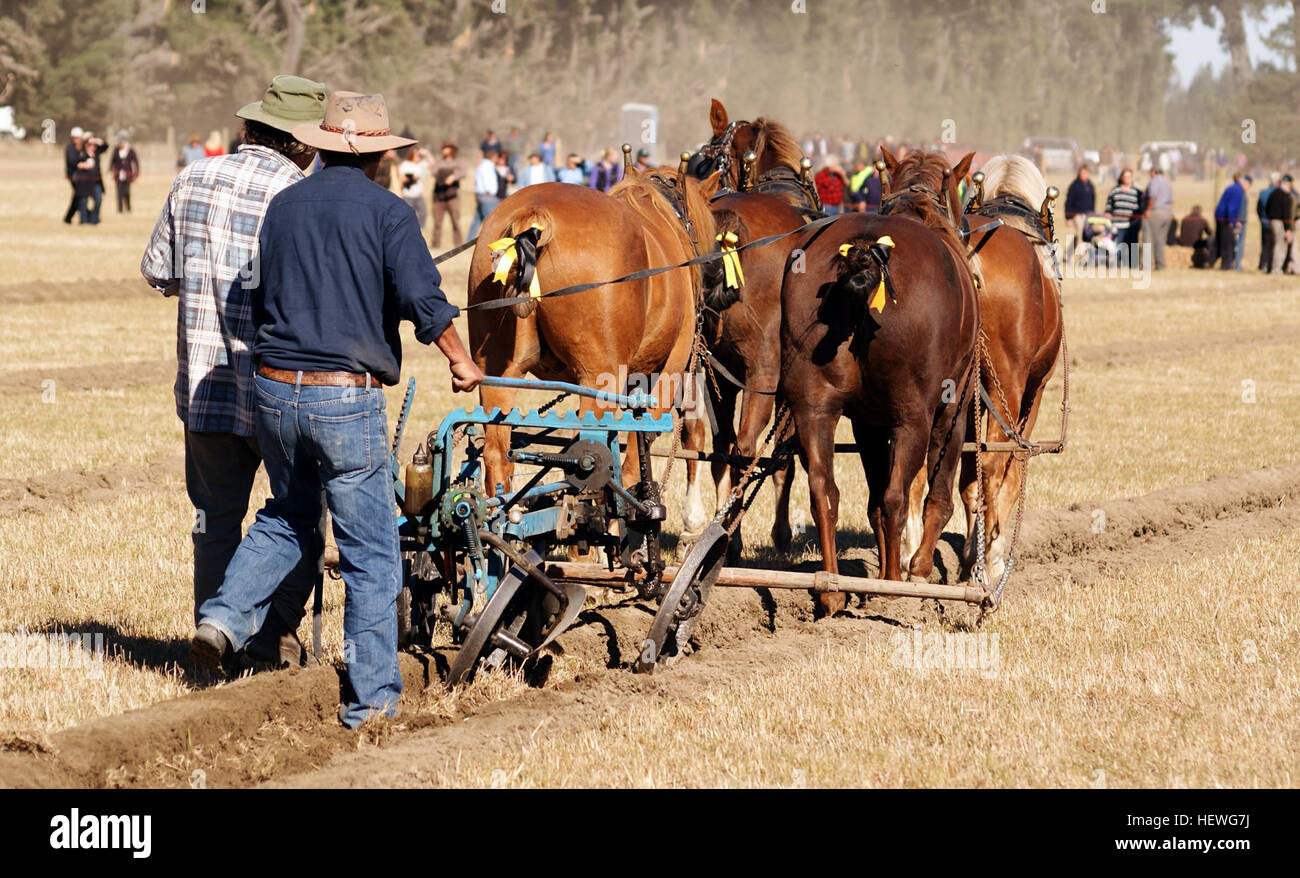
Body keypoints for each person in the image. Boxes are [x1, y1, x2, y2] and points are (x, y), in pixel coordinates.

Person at [189, 91, 483, 728]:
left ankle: (223, 616)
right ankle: (371, 705)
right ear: (378, 157)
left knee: (287, 516)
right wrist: (461, 360)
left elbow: (262, 290)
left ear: (318, 146)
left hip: (272, 388)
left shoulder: (284, 206)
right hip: (341, 397)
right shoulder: (390, 213)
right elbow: (423, 299)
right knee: (371, 554)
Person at [141, 75, 329, 669]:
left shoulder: (193, 175)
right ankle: (269, 637)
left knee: (213, 521)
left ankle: (214, 638)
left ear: (251, 126)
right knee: (300, 515)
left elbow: (159, 272)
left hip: (205, 389)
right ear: (303, 144)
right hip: (281, 389)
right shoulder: (303, 195)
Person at [1105, 169, 1142, 268]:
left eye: (1129, 177)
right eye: (1125, 176)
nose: (1127, 179)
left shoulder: (1136, 192)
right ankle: (1115, 265)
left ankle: (1133, 265)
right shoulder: (1115, 191)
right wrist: (1108, 213)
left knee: (1132, 246)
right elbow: (1109, 206)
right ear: (1121, 178)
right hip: (1117, 224)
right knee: (1117, 246)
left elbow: (1140, 208)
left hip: (1131, 225)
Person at [431, 141, 464, 248]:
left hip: (452, 196)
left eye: (445, 148)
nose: (443, 150)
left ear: (452, 150)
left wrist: (454, 177)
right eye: (443, 148)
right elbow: (433, 172)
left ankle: (458, 244)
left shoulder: (457, 162)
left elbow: (464, 172)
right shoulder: (439, 162)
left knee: (455, 221)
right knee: (437, 223)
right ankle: (435, 244)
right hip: (439, 196)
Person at [1213, 172, 1247, 271]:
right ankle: (1226, 266)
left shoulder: (1231, 188)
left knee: (1221, 242)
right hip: (1226, 218)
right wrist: (1232, 222)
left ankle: (1218, 263)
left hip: (1220, 216)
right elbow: (1232, 208)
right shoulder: (1238, 190)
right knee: (1228, 243)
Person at [1142, 167, 1174, 271]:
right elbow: (1171, 202)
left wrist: (1148, 210)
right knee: (1161, 241)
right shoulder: (1167, 182)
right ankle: (1161, 265)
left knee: (1148, 239)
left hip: (1155, 212)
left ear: (1153, 172)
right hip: (1166, 214)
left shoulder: (1154, 181)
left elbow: (1153, 196)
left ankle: (1147, 266)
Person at [73, 132, 106, 225]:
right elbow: (75, 162)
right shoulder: (81, 152)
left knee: (98, 200)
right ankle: (83, 220)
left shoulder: (96, 152)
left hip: (96, 181)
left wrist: (96, 140)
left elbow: (105, 146)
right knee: (83, 201)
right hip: (84, 181)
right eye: (89, 143)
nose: (92, 145)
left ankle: (94, 219)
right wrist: (84, 165)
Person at [469, 147, 502, 239]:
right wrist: (490, 191)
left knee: (477, 219)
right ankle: (492, 238)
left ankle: (470, 237)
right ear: (493, 157)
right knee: (491, 219)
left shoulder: (482, 165)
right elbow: (488, 179)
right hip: (487, 195)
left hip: (481, 195)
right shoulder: (488, 166)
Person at [1265, 175, 1295, 275]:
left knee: (1274, 244)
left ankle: (1270, 267)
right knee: (1281, 245)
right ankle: (1276, 269)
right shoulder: (1286, 196)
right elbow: (1287, 214)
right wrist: (1288, 229)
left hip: (1272, 221)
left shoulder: (1273, 193)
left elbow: (1267, 207)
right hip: (1281, 223)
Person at [1064, 165, 1096, 251]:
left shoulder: (1090, 186)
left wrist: (1092, 214)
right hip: (1077, 214)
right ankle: (1081, 255)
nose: (1083, 175)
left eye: (1085, 173)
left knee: (1085, 234)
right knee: (1080, 234)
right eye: (1082, 173)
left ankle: (1067, 253)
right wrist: (1068, 218)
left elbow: (1093, 201)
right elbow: (1068, 202)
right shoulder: (1074, 186)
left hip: (1088, 214)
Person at [398, 146, 429, 232]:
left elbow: (432, 163)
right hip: (408, 195)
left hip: (418, 195)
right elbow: (401, 179)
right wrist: (412, 177)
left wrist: (427, 154)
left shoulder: (421, 165)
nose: (419, 157)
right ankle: (409, 231)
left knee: (423, 214)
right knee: (408, 216)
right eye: (417, 155)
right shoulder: (405, 165)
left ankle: (419, 230)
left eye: (419, 156)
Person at [109, 133, 140, 213]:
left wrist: (136, 172)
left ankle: (128, 208)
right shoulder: (116, 150)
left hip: (127, 174)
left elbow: (135, 161)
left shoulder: (130, 150)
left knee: (127, 191)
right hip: (118, 174)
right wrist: (111, 170)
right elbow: (113, 161)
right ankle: (120, 209)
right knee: (119, 192)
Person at [63, 127, 86, 224]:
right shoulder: (70, 148)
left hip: (82, 176)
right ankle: (82, 218)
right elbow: (72, 161)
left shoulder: (82, 147)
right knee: (79, 196)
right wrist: (81, 163)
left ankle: (69, 217)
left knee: (77, 197)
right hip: (73, 176)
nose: (77, 140)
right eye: (75, 138)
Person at [1257, 173, 1279, 271]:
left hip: (1264, 222)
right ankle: (1270, 266)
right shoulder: (1278, 193)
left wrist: (1262, 218)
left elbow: (1258, 208)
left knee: (1265, 245)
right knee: (1275, 245)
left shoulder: (1263, 193)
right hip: (1276, 222)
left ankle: (1262, 265)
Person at [1233, 175, 1253, 270]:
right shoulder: (1239, 192)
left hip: (1241, 221)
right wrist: (1238, 220)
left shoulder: (1241, 192)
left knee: (1239, 243)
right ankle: (1237, 266)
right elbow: (1237, 208)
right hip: (1239, 222)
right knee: (1238, 244)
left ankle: (1237, 264)